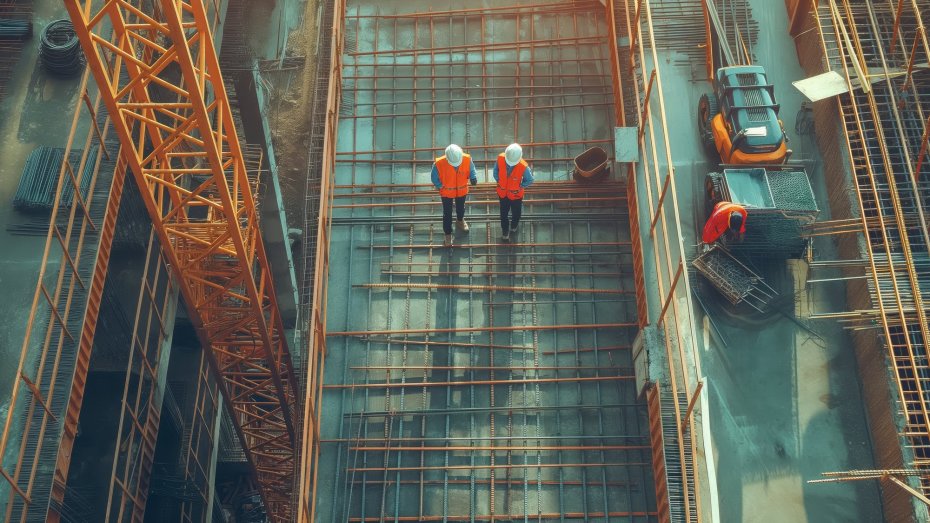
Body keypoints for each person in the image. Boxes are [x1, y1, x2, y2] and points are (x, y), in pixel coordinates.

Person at [432, 144, 477, 247]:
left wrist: (473, 177)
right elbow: (434, 177)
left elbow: (472, 169)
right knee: (447, 214)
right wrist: (440, 186)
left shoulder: (466, 159)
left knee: (461, 208)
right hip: (447, 192)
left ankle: (460, 220)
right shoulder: (439, 163)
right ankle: (448, 234)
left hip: (461, 190)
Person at [493, 143, 534, 242]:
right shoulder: (500, 158)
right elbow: (495, 171)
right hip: (503, 193)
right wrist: (499, 181)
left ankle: (514, 225)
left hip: (516, 195)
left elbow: (530, 180)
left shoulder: (523, 166)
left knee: (516, 212)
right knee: (503, 214)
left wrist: (520, 187)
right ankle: (505, 231)